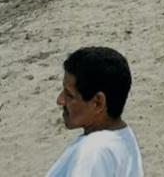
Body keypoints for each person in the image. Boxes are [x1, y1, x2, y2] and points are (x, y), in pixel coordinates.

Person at [47, 47, 144, 176]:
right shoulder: (123, 136)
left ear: (98, 103)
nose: (60, 100)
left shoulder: (93, 152)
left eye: (69, 95)